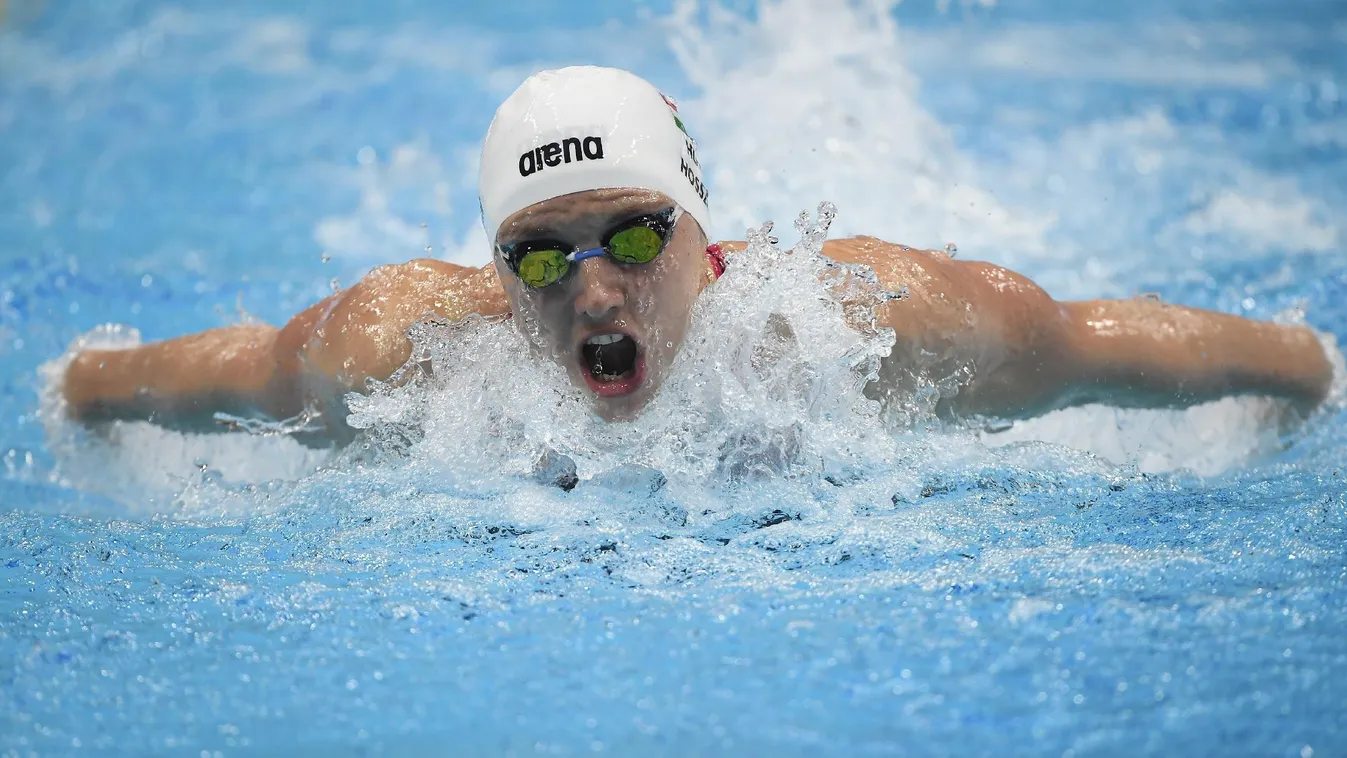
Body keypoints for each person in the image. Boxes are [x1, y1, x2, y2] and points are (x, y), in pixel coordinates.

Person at [59, 66, 1334, 447]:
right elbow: (223, 371)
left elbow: (1090, 345)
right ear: (494, 272)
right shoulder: (403, 350)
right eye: (542, 259)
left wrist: (1313, 367)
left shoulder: (865, 323)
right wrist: (83, 392)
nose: (596, 287)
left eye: (631, 232)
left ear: (704, 237)